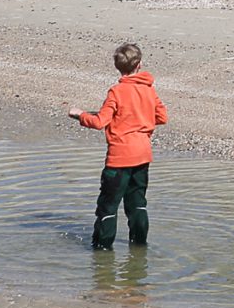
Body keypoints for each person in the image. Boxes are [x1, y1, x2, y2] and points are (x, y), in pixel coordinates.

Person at [71, 43, 167, 250]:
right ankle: (140, 246)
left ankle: (103, 250)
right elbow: (161, 117)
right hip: (142, 155)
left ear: (117, 67)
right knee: (138, 204)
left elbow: (99, 122)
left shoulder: (116, 92)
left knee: (108, 207)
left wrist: (80, 114)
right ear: (139, 64)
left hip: (119, 159)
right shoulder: (149, 90)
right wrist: (139, 123)